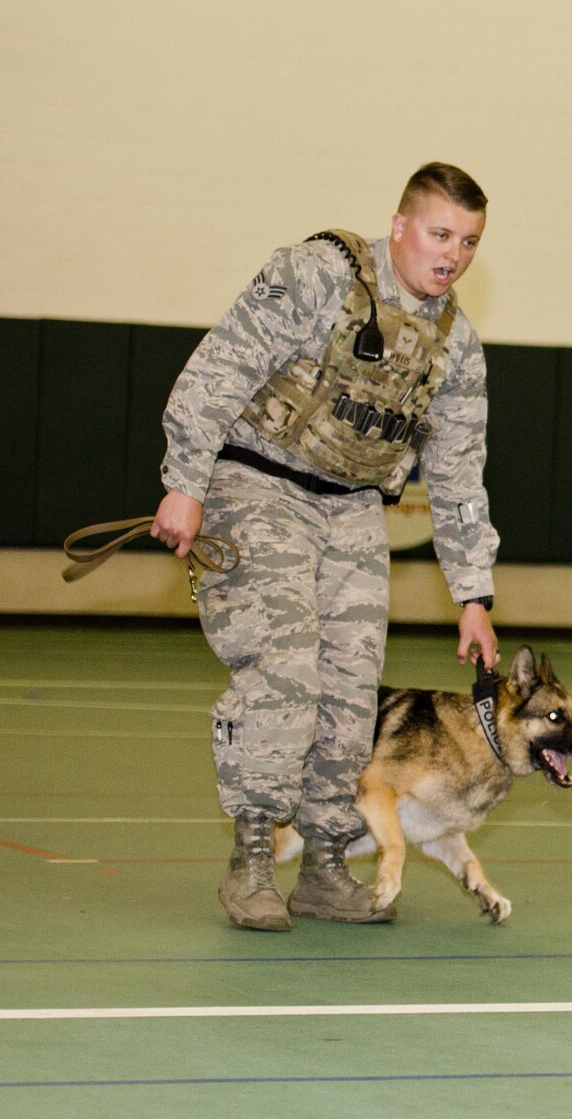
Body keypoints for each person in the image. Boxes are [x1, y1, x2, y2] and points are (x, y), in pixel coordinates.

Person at [151, 163, 502, 931]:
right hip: (257, 484)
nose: (453, 254)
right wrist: (185, 480)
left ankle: (323, 865)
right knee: (285, 671)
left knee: (350, 693)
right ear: (401, 225)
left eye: (469, 242)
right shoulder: (316, 273)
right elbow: (218, 370)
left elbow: (458, 470)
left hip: (349, 508)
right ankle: (251, 857)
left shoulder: (454, 345)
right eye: (441, 234)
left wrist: (474, 594)